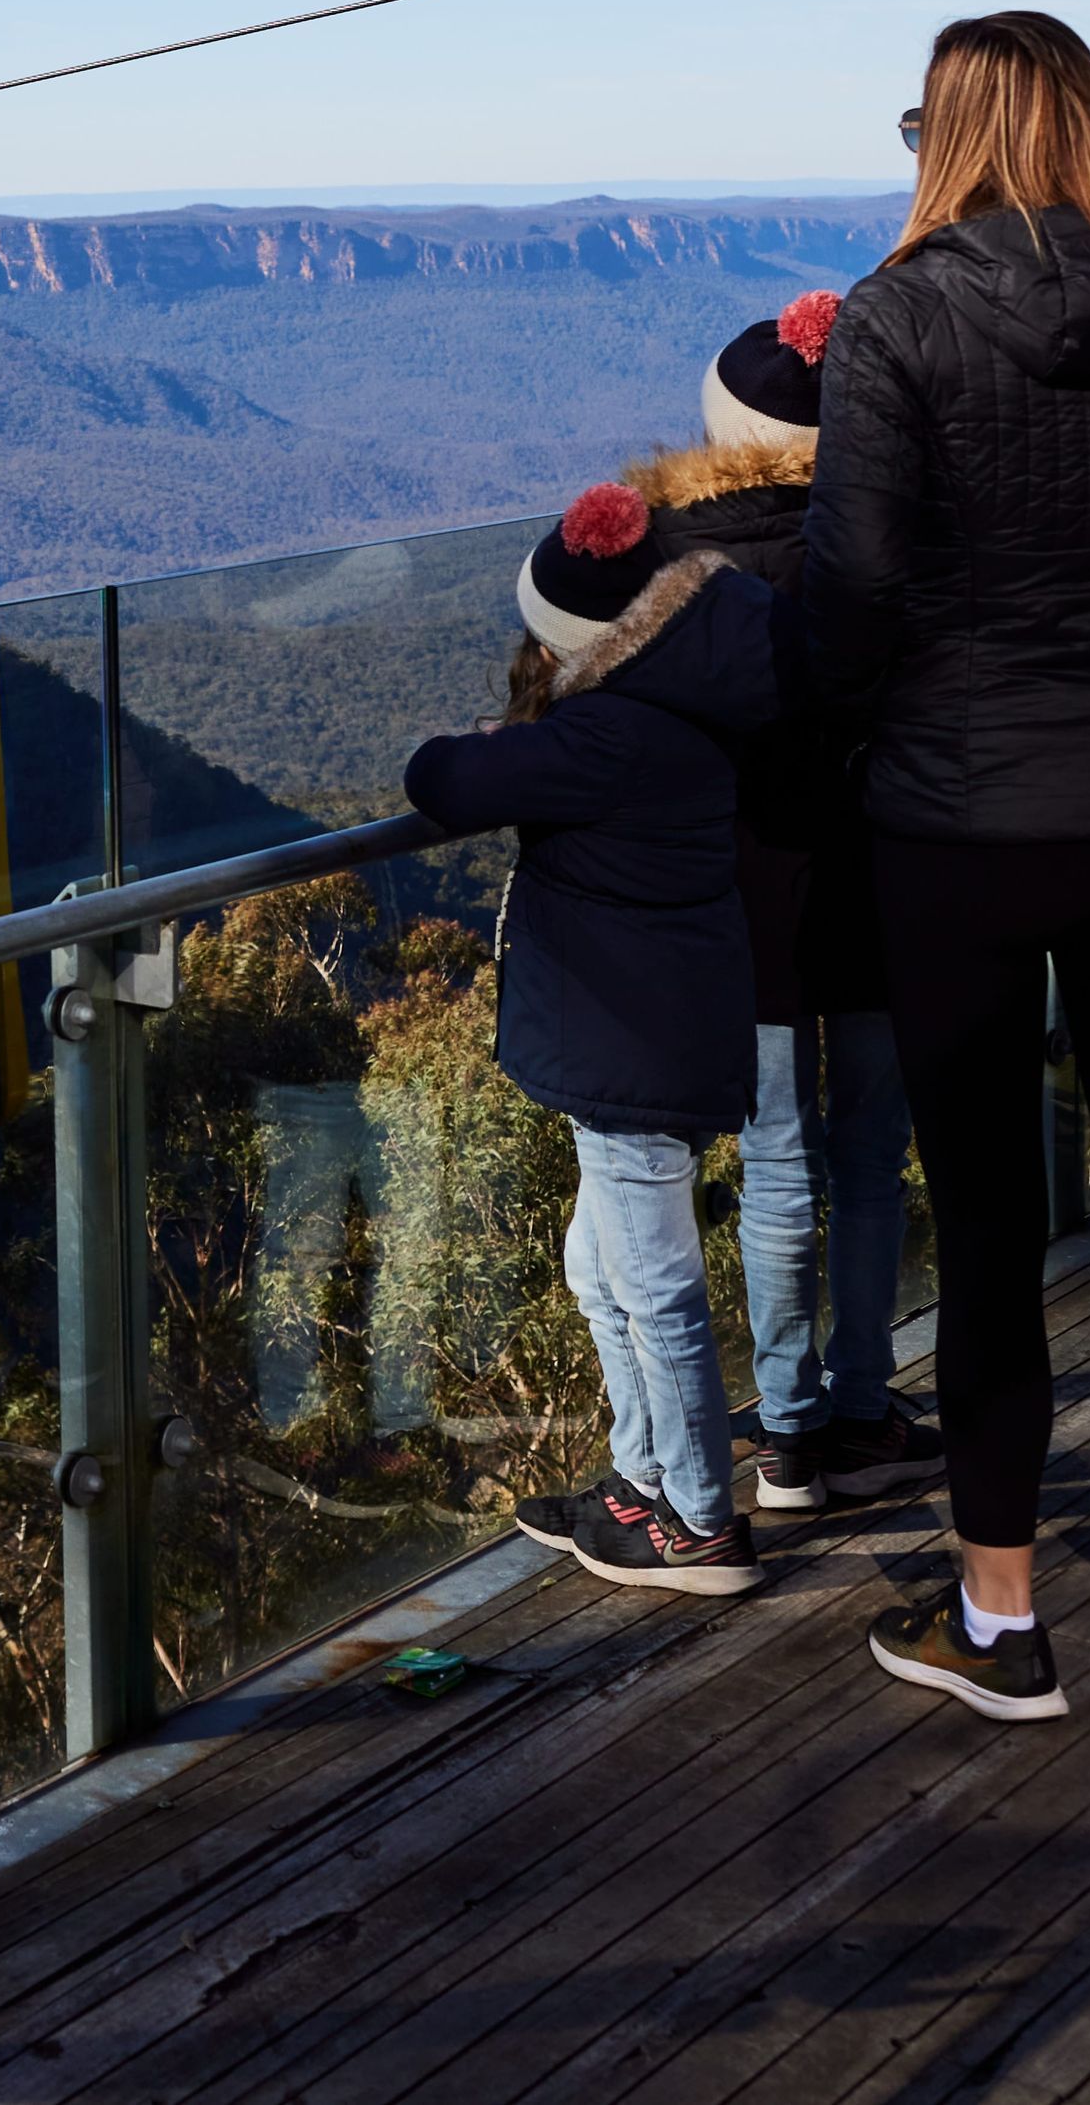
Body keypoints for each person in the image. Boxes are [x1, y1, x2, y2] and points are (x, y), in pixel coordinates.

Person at [805, 10, 1090, 1721]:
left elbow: (852, 580)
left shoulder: (893, 317)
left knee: (990, 1224)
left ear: (944, 131)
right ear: (1085, 121)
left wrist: (841, 732)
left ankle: (997, 1622)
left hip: (955, 823)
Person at [406, 479, 782, 1598]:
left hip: (630, 1052)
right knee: (597, 1268)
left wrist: (497, 738)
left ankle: (699, 1523)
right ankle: (642, 1478)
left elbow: (441, 779)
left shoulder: (610, 733)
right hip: (660, 1034)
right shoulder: (682, 701)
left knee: (653, 1284)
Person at [626, 295, 935, 1518]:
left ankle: (787, 1432)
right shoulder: (893, 537)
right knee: (868, 1158)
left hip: (734, 893)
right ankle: (860, 1406)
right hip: (881, 868)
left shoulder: (660, 563)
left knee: (774, 1162)